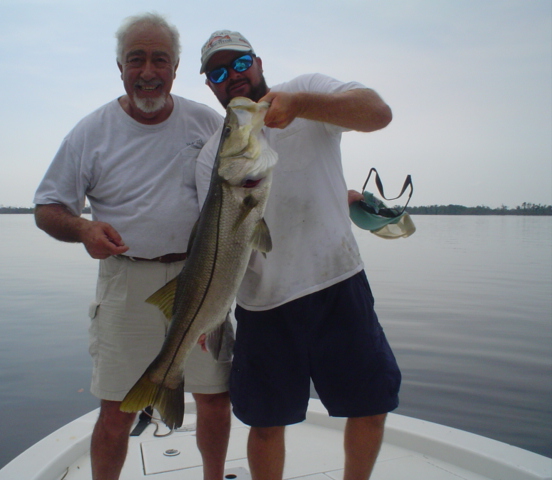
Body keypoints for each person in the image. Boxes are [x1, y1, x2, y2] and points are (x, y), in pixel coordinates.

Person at [195, 30, 401, 480]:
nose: (232, 76)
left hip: (338, 284)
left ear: (258, 61)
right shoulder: (212, 154)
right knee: (266, 425)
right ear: (209, 85)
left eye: (239, 63)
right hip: (262, 305)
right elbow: (215, 242)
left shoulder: (308, 93)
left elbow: (377, 114)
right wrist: (209, 313)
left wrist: (304, 104)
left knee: (371, 407)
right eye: (218, 72)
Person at [33, 14, 231, 480]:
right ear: (119, 67)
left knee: (214, 397)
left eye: (159, 59)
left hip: (202, 276)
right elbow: (47, 207)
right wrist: (83, 229)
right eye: (136, 59)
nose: (147, 71)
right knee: (118, 408)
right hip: (125, 282)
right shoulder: (91, 131)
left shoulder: (207, 122)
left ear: (176, 67)